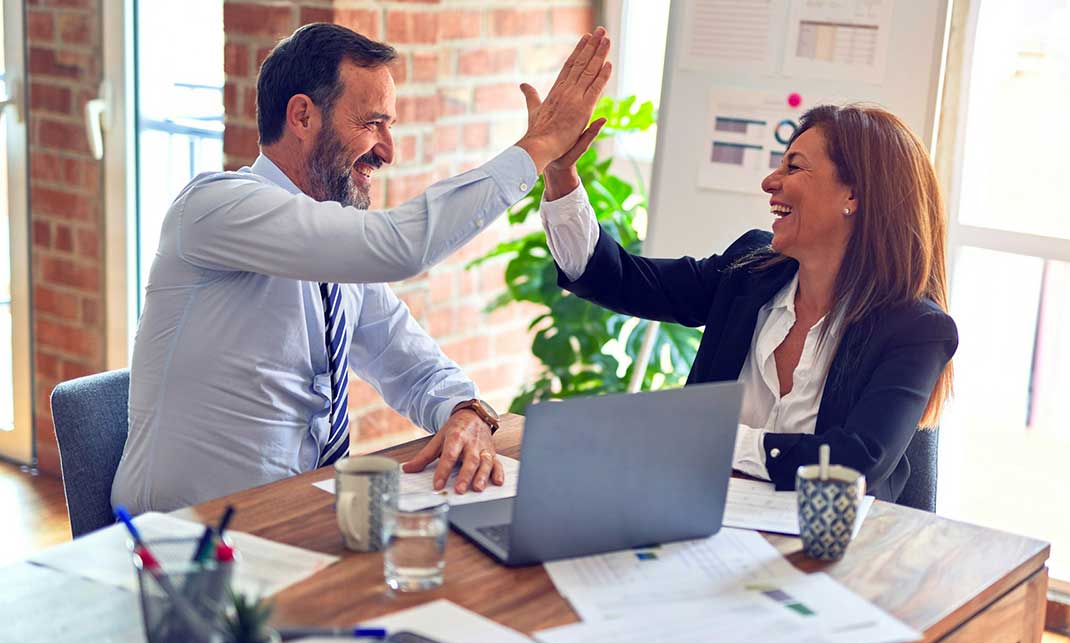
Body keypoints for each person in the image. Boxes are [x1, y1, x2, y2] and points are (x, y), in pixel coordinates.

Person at [111, 23, 612, 513]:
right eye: (373, 123)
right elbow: (400, 246)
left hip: (298, 522)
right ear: (303, 117)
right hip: (183, 544)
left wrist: (466, 411)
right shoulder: (215, 207)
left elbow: (412, 364)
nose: (387, 151)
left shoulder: (336, 254)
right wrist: (539, 146)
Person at [539, 104, 957, 502]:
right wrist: (560, 173)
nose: (770, 182)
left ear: (854, 196)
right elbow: (621, 280)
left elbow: (853, 464)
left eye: (793, 166)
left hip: (833, 554)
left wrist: (711, 438)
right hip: (701, 521)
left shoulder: (916, 329)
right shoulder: (750, 271)